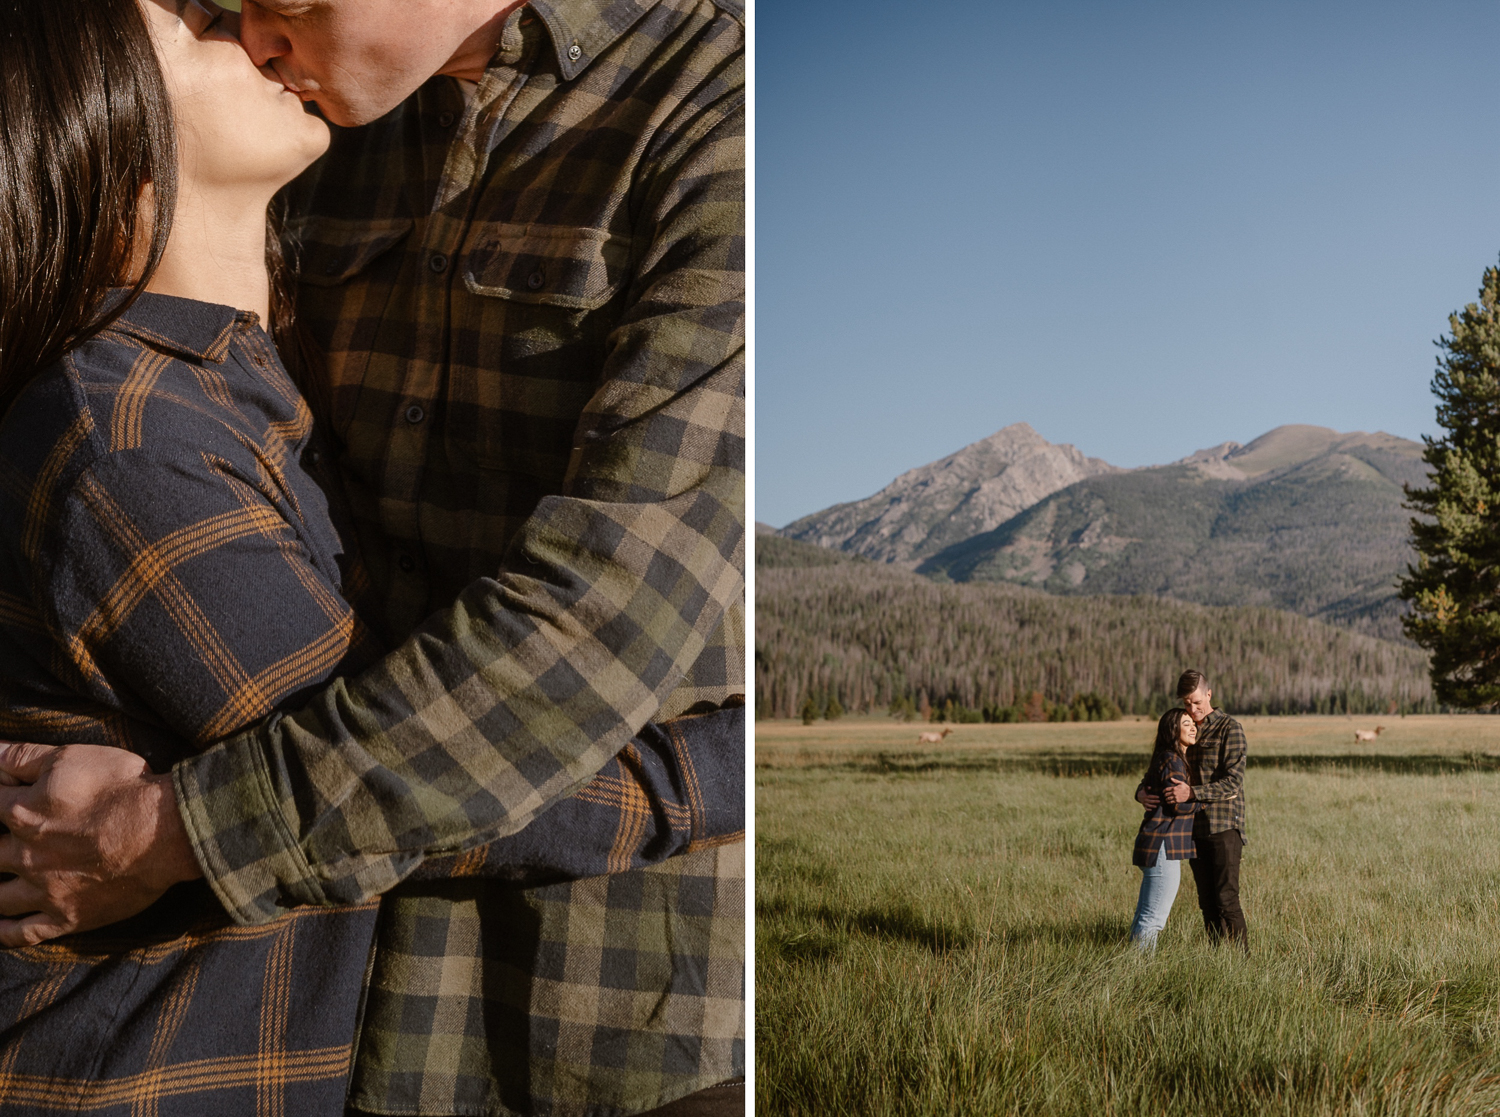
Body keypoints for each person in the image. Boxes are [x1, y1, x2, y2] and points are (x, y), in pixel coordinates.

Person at [0, 0, 746, 1113]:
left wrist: (169, 830)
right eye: (211, 17)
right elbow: (333, 705)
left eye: (266, 7)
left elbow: (598, 619)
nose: (252, 33)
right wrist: (721, 773)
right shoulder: (133, 436)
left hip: (602, 1014)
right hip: (302, 1032)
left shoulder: (712, 110)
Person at [1137, 669, 1248, 950]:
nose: (1193, 709)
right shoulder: (1185, 727)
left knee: (1227, 899)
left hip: (1223, 827)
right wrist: (1140, 791)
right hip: (1191, 830)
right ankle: (1216, 956)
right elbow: (1165, 760)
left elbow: (1233, 782)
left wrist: (1192, 793)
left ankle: (1241, 961)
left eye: (1197, 702)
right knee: (1206, 902)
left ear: (1209, 694)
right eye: (1187, 703)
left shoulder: (1229, 729)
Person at [1128, 708, 1198, 950]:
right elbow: (1177, 803)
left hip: (1155, 844)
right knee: (1153, 919)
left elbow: (1149, 788)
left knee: (1144, 915)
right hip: (1162, 847)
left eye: (1193, 723)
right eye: (1186, 723)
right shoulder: (1173, 760)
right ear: (1172, 731)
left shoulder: (1165, 756)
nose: (1193, 727)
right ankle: (1139, 973)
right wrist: (1200, 801)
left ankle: (1130, 967)